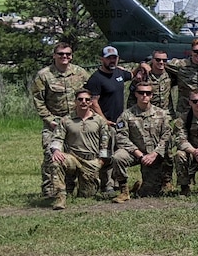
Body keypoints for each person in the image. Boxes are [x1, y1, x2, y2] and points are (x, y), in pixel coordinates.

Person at [32, 41, 92, 193]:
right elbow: (38, 100)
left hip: (75, 121)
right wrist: (49, 119)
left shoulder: (80, 73)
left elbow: (90, 95)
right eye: (61, 54)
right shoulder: (44, 75)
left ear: (71, 56)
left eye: (68, 54)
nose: (64, 57)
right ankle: (50, 189)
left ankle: (71, 186)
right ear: (54, 56)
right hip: (55, 121)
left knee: (74, 154)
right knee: (50, 154)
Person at [43, 89, 112, 210]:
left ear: (91, 103)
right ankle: (60, 197)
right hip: (72, 158)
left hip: (91, 161)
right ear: (75, 102)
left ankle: (75, 184)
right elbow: (57, 138)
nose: (83, 102)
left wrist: (101, 161)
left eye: (87, 100)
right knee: (56, 161)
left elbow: (105, 141)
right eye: (80, 99)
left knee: (86, 195)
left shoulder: (99, 120)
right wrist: (56, 150)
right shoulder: (66, 120)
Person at [109, 82, 174, 202]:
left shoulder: (162, 114)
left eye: (148, 93)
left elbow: (167, 136)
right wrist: (139, 154)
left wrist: (154, 154)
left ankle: (140, 187)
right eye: (141, 93)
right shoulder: (126, 115)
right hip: (135, 154)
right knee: (118, 157)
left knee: (149, 193)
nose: (144, 95)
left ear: (152, 96)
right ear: (136, 94)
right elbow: (121, 137)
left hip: (154, 155)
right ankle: (124, 191)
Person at [87, 45, 133, 125]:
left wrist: (141, 66)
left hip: (119, 120)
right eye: (108, 58)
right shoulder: (96, 78)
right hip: (105, 122)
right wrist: (104, 121)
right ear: (102, 59)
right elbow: (93, 102)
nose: (112, 60)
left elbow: (132, 75)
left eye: (114, 58)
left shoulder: (119, 72)